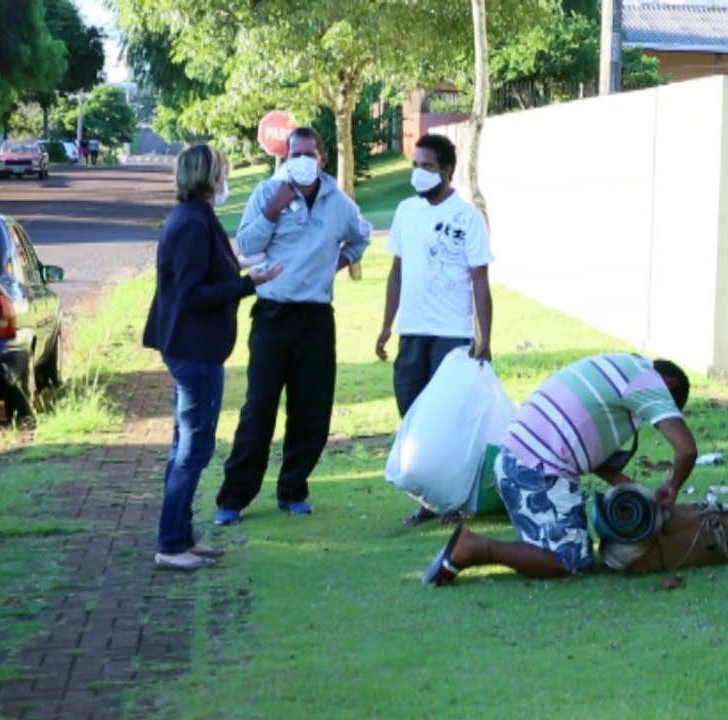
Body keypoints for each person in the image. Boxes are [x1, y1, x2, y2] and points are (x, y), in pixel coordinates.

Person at [421, 353, 698, 586]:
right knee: (571, 561)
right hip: (536, 469)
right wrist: (672, 485)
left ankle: (523, 546)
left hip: (516, 459)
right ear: (669, 384)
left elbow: (581, 434)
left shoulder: (621, 365)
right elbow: (686, 449)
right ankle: (476, 548)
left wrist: (624, 484)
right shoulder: (647, 381)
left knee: (562, 548)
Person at [213, 127, 372, 525]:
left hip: (316, 317)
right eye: (292, 154)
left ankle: (294, 488)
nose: (299, 160)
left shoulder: (339, 202)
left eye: (307, 153)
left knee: (312, 409)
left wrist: (333, 267)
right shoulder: (269, 192)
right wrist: (273, 209)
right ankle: (234, 497)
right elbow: (247, 245)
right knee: (259, 409)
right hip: (272, 315)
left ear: (322, 158)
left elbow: (359, 238)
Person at [142, 145, 284, 570]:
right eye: (222, 170)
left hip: (197, 347)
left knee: (186, 447)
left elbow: (206, 271)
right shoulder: (190, 222)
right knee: (193, 449)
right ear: (208, 176)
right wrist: (247, 284)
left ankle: (181, 537)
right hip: (193, 348)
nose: (227, 177)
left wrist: (245, 267)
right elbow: (191, 294)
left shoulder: (198, 218)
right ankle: (170, 544)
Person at [376, 133, 493, 528]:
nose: (419, 173)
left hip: (450, 334)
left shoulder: (467, 217)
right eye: (416, 165)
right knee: (412, 414)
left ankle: (455, 499)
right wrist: (386, 325)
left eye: (427, 167)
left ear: (446, 171)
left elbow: (480, 280)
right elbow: (396, 272)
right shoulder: (406, 212)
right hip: (412, 331)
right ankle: (428, 499)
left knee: (445, 420)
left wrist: (485, 338)